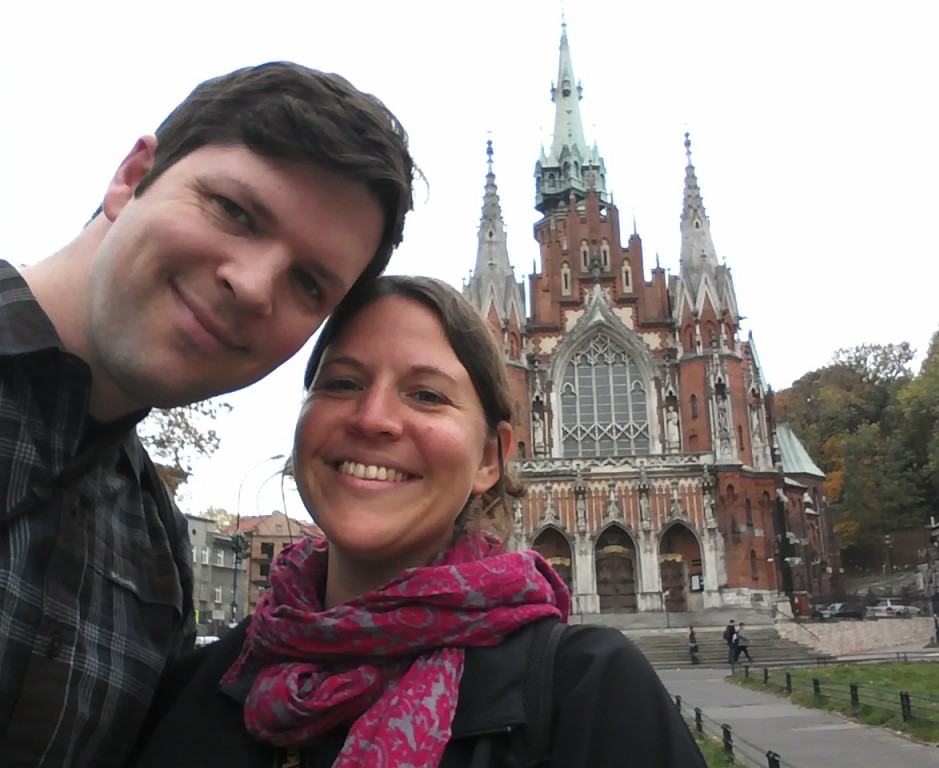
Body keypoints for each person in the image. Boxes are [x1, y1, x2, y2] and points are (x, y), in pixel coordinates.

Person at [0, 62, 415, 766]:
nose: (253, 286)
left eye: (309, 283)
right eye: (234, 211)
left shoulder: (157, 549)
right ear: (132, 178)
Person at [129, 276, 708, 768]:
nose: (374, 418)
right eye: (343, 383)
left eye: (427, 394)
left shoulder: (592, 694)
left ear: (490, 458)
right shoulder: (197, 681)